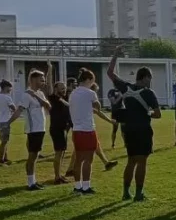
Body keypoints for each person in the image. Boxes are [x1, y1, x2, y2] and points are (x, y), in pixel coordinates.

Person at [109, 46, 162, 202]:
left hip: (128, 129)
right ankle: (139, 193)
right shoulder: (148, 93)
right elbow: (158, 114)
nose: (150, 82)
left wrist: (115, 55)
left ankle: (126, 192)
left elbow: (110, 73)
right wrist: (148, 113)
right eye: (150, 78)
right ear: (144, 77)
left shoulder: (126, 87)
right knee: (142, 162)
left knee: (131, 161)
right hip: (143, 129)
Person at [68, 68, 109, 196]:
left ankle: (77, 186)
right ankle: (86, 187)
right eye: (92, 81)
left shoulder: (73, 93)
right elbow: (98, 106)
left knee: (78, 159)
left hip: (76, 130)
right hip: (88, 129)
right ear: (89, 80)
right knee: (88, 160)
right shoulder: (90, 93)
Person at [13, 69, 51, 190]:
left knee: (35, 156)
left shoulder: (39, 93)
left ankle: (33, 181)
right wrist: (8, 122)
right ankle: (31, 183)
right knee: (32, 156)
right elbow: (19, 110)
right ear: (34, 80)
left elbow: (48, 106)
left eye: (44, 79)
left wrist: (35, 95)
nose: (43, 82)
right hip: (33, 129)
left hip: (41, 128)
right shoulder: (26, 95)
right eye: (41, 79)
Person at [47, 77, 72, 185]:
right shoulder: (53, 98)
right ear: (56, 89)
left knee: (62, 153)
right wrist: (50, 68)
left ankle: (59, 175)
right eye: (61, 88)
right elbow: (49, 84)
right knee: (58, 153)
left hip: (63, 129)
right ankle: (57, 177)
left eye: (64, 88)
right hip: (56, 129)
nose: (64, 90)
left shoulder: (65, 98)